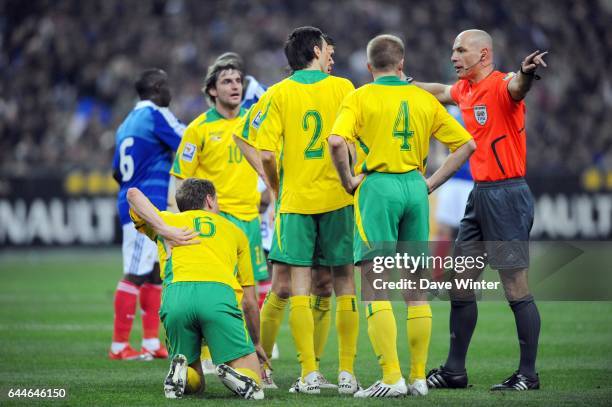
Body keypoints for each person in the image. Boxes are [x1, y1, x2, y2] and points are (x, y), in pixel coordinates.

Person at [328, 34, 475, 397]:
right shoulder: (421, 98)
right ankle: (419, 378)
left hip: (378, 189)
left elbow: (334, 141)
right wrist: (430, 183)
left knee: (375, 288)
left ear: (369, 67)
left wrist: (349, 181)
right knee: (416, 290)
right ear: (402, 64)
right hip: (414, 187)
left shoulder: (360, 96)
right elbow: (467, 144)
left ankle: (391, 376)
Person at [414, 29, 547, 391]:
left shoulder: (502, 83)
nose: (453, 56)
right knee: (460, 283)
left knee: (514, 284)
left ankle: (528, 375)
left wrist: (527, 72)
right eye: (452, 50)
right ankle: (455, 371)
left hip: (507, 195)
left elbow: (518, 88)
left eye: (460, 50)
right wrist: (400, 83)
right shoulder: (464, 90)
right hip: (480, 195)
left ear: (484, 54)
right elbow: (440, 91)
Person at [237, 26, 360, 395]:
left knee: (300, 288)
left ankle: (308, 373)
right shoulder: (343, 88)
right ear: (317, 50)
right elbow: (354, 142)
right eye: (328, 50)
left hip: (296, 204)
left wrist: (274, 186)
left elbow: (262, 149)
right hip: (340, 200)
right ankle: (347, 373)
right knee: (344, 286)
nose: (332, 56)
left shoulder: (277, 94)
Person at [127, 179, 265, 399]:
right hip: (218, 296)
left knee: (195, 382)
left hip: (176, 297)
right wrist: (256, 342)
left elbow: (133, 194)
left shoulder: (168, 221)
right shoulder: (235, 231)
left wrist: (163, 229)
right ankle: (239, 375)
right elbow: (249, 300)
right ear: (209, 200)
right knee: (253, 377)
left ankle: (181, 373)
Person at [109, 68, 185, 361]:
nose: (170, 92)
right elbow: (188, 140)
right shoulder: (155, 113)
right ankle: (118, 346)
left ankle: (151, 342)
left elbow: (117, 171)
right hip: (147, 205)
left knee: (154, 272)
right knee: (137, 271)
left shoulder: (125, 123)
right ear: (155, 88)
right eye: (166, 85)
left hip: (131, 199)